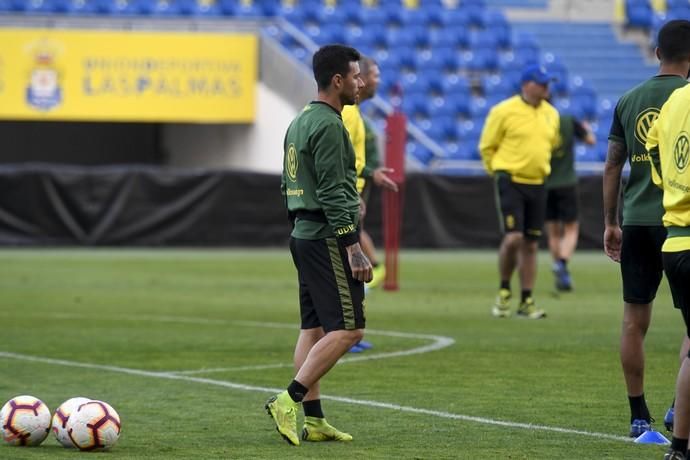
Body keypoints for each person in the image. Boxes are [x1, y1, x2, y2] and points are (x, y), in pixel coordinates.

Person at [269, 44, 371, 446]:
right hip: (328, 237)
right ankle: (288, 399)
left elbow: (287, 183)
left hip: (304, 234)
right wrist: (353, 245)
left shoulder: (300, 120)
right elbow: (329, 191)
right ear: (338, 80)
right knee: (350, 329)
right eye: (357, 75)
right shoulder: (329, 124)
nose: (361, 82)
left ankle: (314, 421)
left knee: (312, 328)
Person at [603, 19, 690, 438]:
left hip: (636, 220)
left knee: (634, 320)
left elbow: (612, 164)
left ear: (657, 53)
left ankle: (639, 415)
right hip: (682, 224)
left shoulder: (628, 99)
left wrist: (609, 221)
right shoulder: (687, 99)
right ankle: (680, 406)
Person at [479, 64, 560, 320]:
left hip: (538, 181)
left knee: (532, 243)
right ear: (526, 85)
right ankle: (504, 290)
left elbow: (552, 145)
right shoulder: (504, 111)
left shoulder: (551, 114)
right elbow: (487, 146)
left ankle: (526, 299)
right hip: (511, 179)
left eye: (548, 83)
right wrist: (498, 173)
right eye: (541, 83)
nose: (546, 87)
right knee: (513, 238)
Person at [342, 57, 398, 353]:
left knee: (351, 267)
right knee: (345, 266)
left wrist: (367, 176)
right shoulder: (348, 114)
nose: (377, 80)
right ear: (359, 78)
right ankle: (341, 333)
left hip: (354, 194)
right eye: (375, 74)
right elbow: (340, 158)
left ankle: (349, 332)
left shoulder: (356, 113)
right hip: (346, 197)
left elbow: (354, 160)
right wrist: (352, 190)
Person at [647, 79, 690, 460]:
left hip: (675, 239)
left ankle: (679, 445)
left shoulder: (675, 100)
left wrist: (669, 185)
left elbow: (652, 147)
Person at [545, 114, 595, 292]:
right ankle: (562, 263)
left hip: (545, 183)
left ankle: (560, 268)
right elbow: (591, 141)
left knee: (553, 232)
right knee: (571, 228)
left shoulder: (537, 121)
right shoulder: (568, 120)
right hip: (566, 182)